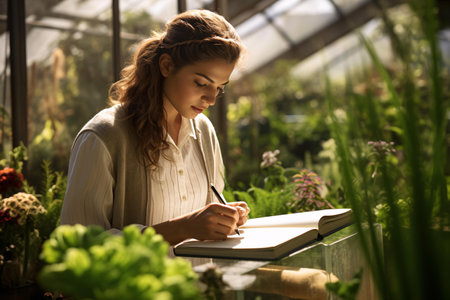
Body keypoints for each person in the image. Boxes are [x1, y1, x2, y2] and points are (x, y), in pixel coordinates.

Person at [60, 9, 249, 246]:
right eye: (201, 83)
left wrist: (222, 218)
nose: (211, 98)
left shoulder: (204, 131)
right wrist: (183, 228)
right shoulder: (103, 136)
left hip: (199, 283)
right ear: (167, 66)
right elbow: (79, 244)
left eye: (220, 88)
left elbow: (199, 216)